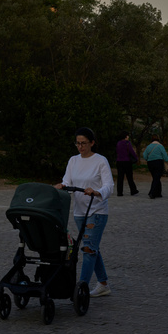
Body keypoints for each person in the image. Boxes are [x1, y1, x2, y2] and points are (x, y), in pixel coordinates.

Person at [56, 127, 114, 297]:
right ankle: (103, 284)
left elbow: (108, 185)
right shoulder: (73, 161)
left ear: (92, 143)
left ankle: (80, 288)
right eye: (78, 143)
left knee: (88, 249)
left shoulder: (100, 161)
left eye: (84, 143)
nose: (80, 147)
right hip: (80, 211)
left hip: (96, 210)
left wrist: (97, 192)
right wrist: (61, 186)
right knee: (91, 247)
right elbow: (67, 180)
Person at [143, 135, 168, 199]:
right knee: (157, 177)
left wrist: (148, 159)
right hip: (158, 162)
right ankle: (152, 193)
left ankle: (158, 193)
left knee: (155, 177)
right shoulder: (160, 146)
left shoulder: (148, 147)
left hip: (150, 163)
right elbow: (165, 156)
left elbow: (144, 155)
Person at [114, 131, 139, 196]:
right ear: (125, 136)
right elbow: (131, 151)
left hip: (119, 161)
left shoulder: (118, 143)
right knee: (129, 177)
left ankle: (119, 192)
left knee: (120, 177)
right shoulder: (128, 143)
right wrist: (136, 158)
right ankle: (133, 190)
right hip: (127, 161)